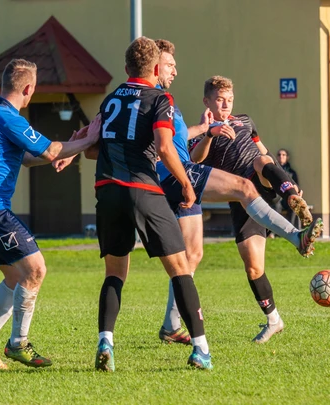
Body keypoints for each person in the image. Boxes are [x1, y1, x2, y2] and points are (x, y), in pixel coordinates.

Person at [152, 44, 323, 345]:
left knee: (261, 162)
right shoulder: (206, 130)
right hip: (239, 200)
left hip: (258, 183)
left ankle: (295, 206)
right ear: (207, 101)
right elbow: (197, 160)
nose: (226, 105)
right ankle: (274, 320)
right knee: (253, 266)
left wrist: (286, 183)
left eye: (229, 100)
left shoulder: (245, 121)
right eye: (220, 100)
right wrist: (209, 133)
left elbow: (262, 150)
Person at [0, 58, 100, 370]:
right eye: (33, 90)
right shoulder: (8, 118)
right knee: (35, 270)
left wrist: (71, 148)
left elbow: (26, 158)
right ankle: (18, 344)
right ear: (27, 88)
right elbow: (50, 150)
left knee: (15, 277)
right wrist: (89, 139)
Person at [92, 37, 212, 371]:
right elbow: (164, 146)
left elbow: (94, 145)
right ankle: (201, 349)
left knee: (115, 273)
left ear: (126, 68)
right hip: (142, 188)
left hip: (107, 191)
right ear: (156, 68)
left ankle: (106, 341)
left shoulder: (111, 99)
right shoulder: (160, 98)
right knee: (180, 268)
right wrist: (186, 184)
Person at [275, 148, 300, 227]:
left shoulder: (291, 173)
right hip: (277, 198)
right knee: (276, 207)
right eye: (279, 155)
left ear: (287, 157)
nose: (281, 157)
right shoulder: (274, 170)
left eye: (283, 155)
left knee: (294, 207)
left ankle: (290, 229)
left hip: (289, 198)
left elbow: (296, 186)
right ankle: (274, 231)